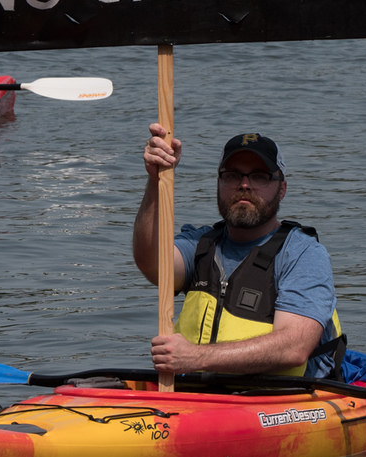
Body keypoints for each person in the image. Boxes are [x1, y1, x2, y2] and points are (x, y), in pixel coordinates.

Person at [133, 124, 345, 380]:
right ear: (219, 183)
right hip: (196, 397)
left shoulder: (303, 254)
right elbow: (153, 265)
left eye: (259, 176)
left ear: (282, 189)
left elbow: (294, 348)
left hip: (280, 402)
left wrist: (195, 357)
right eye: (233, 175)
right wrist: (156, 180)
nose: (244, 185)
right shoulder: (200, 245)